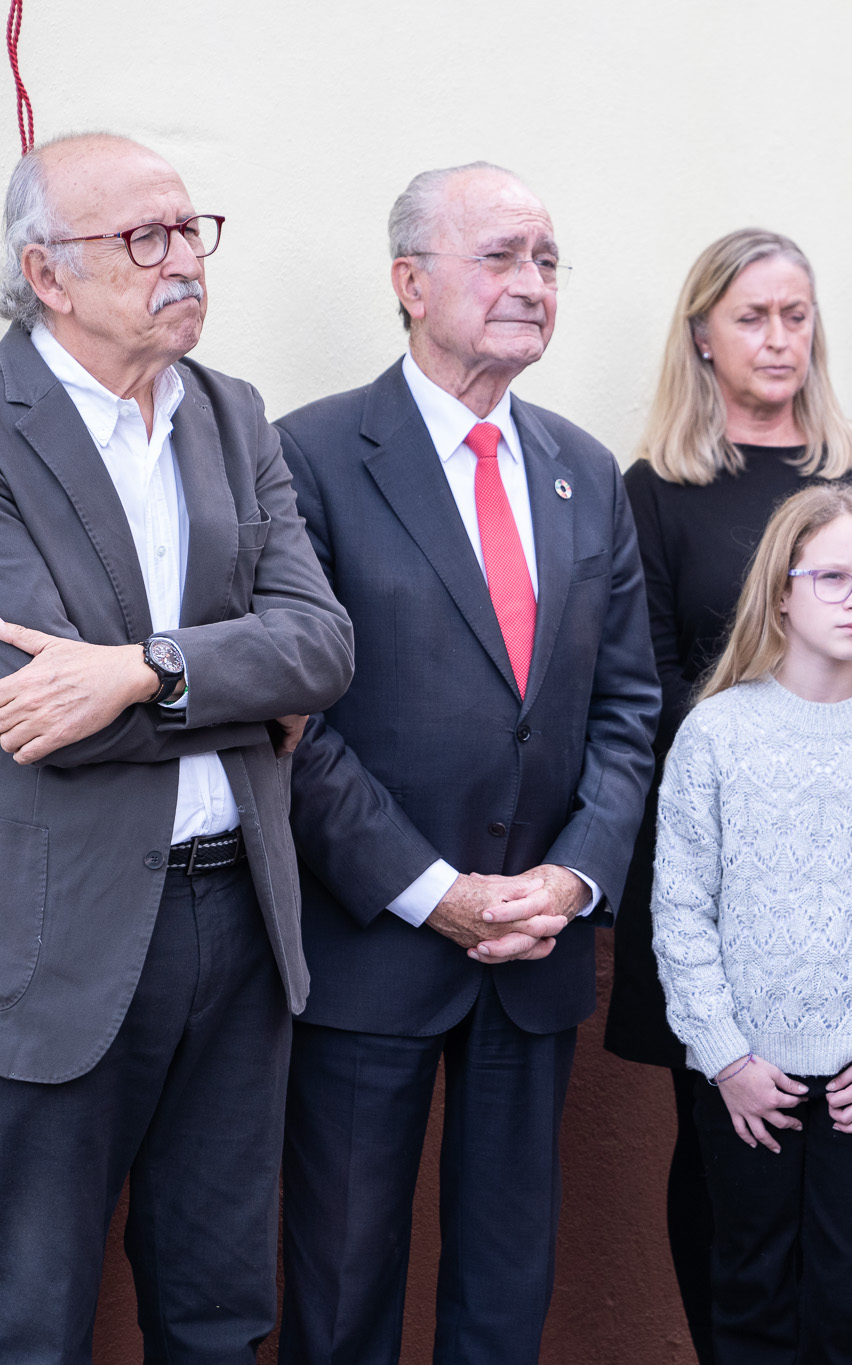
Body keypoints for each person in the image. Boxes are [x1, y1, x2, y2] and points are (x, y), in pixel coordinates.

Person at [0, 132, 355, 1358]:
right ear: (48, 275)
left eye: (192, 231)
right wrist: (245, 694)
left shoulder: (231, 415)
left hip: (238, 924)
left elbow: (322, 647)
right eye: (143, 238)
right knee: (33, 1318)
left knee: (218, 1308)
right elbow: (37, 717)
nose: (183, 262)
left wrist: (143, 667)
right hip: (57, 938)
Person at [273, 162, 659, 1364]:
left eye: (545, 261)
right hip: (371, 949)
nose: (531, 285)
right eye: (499, 257)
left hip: (534, 952)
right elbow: (295, 719)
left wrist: (572, 881)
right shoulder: (310, 455)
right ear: (409, 281)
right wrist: (432, 892)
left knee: (505, 1289)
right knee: (340, 1290)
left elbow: (624, 705)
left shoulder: (583, 469)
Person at [606, 227, 852, 1364]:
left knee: (842, 1217)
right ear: (700, 332)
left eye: (794, 314)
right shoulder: (656, 486)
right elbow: (636, 673)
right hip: (713, 862)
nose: (776, 337)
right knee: (722, 1153)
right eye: (750, 315)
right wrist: (747, 774)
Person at [651, 483, 852, 1365]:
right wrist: (727, 1057)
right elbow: (681, 909)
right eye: (834, 579)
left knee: (847, 1297)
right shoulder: (716, 733)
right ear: (781, 591)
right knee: (748, 1290)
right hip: (748, 1075)